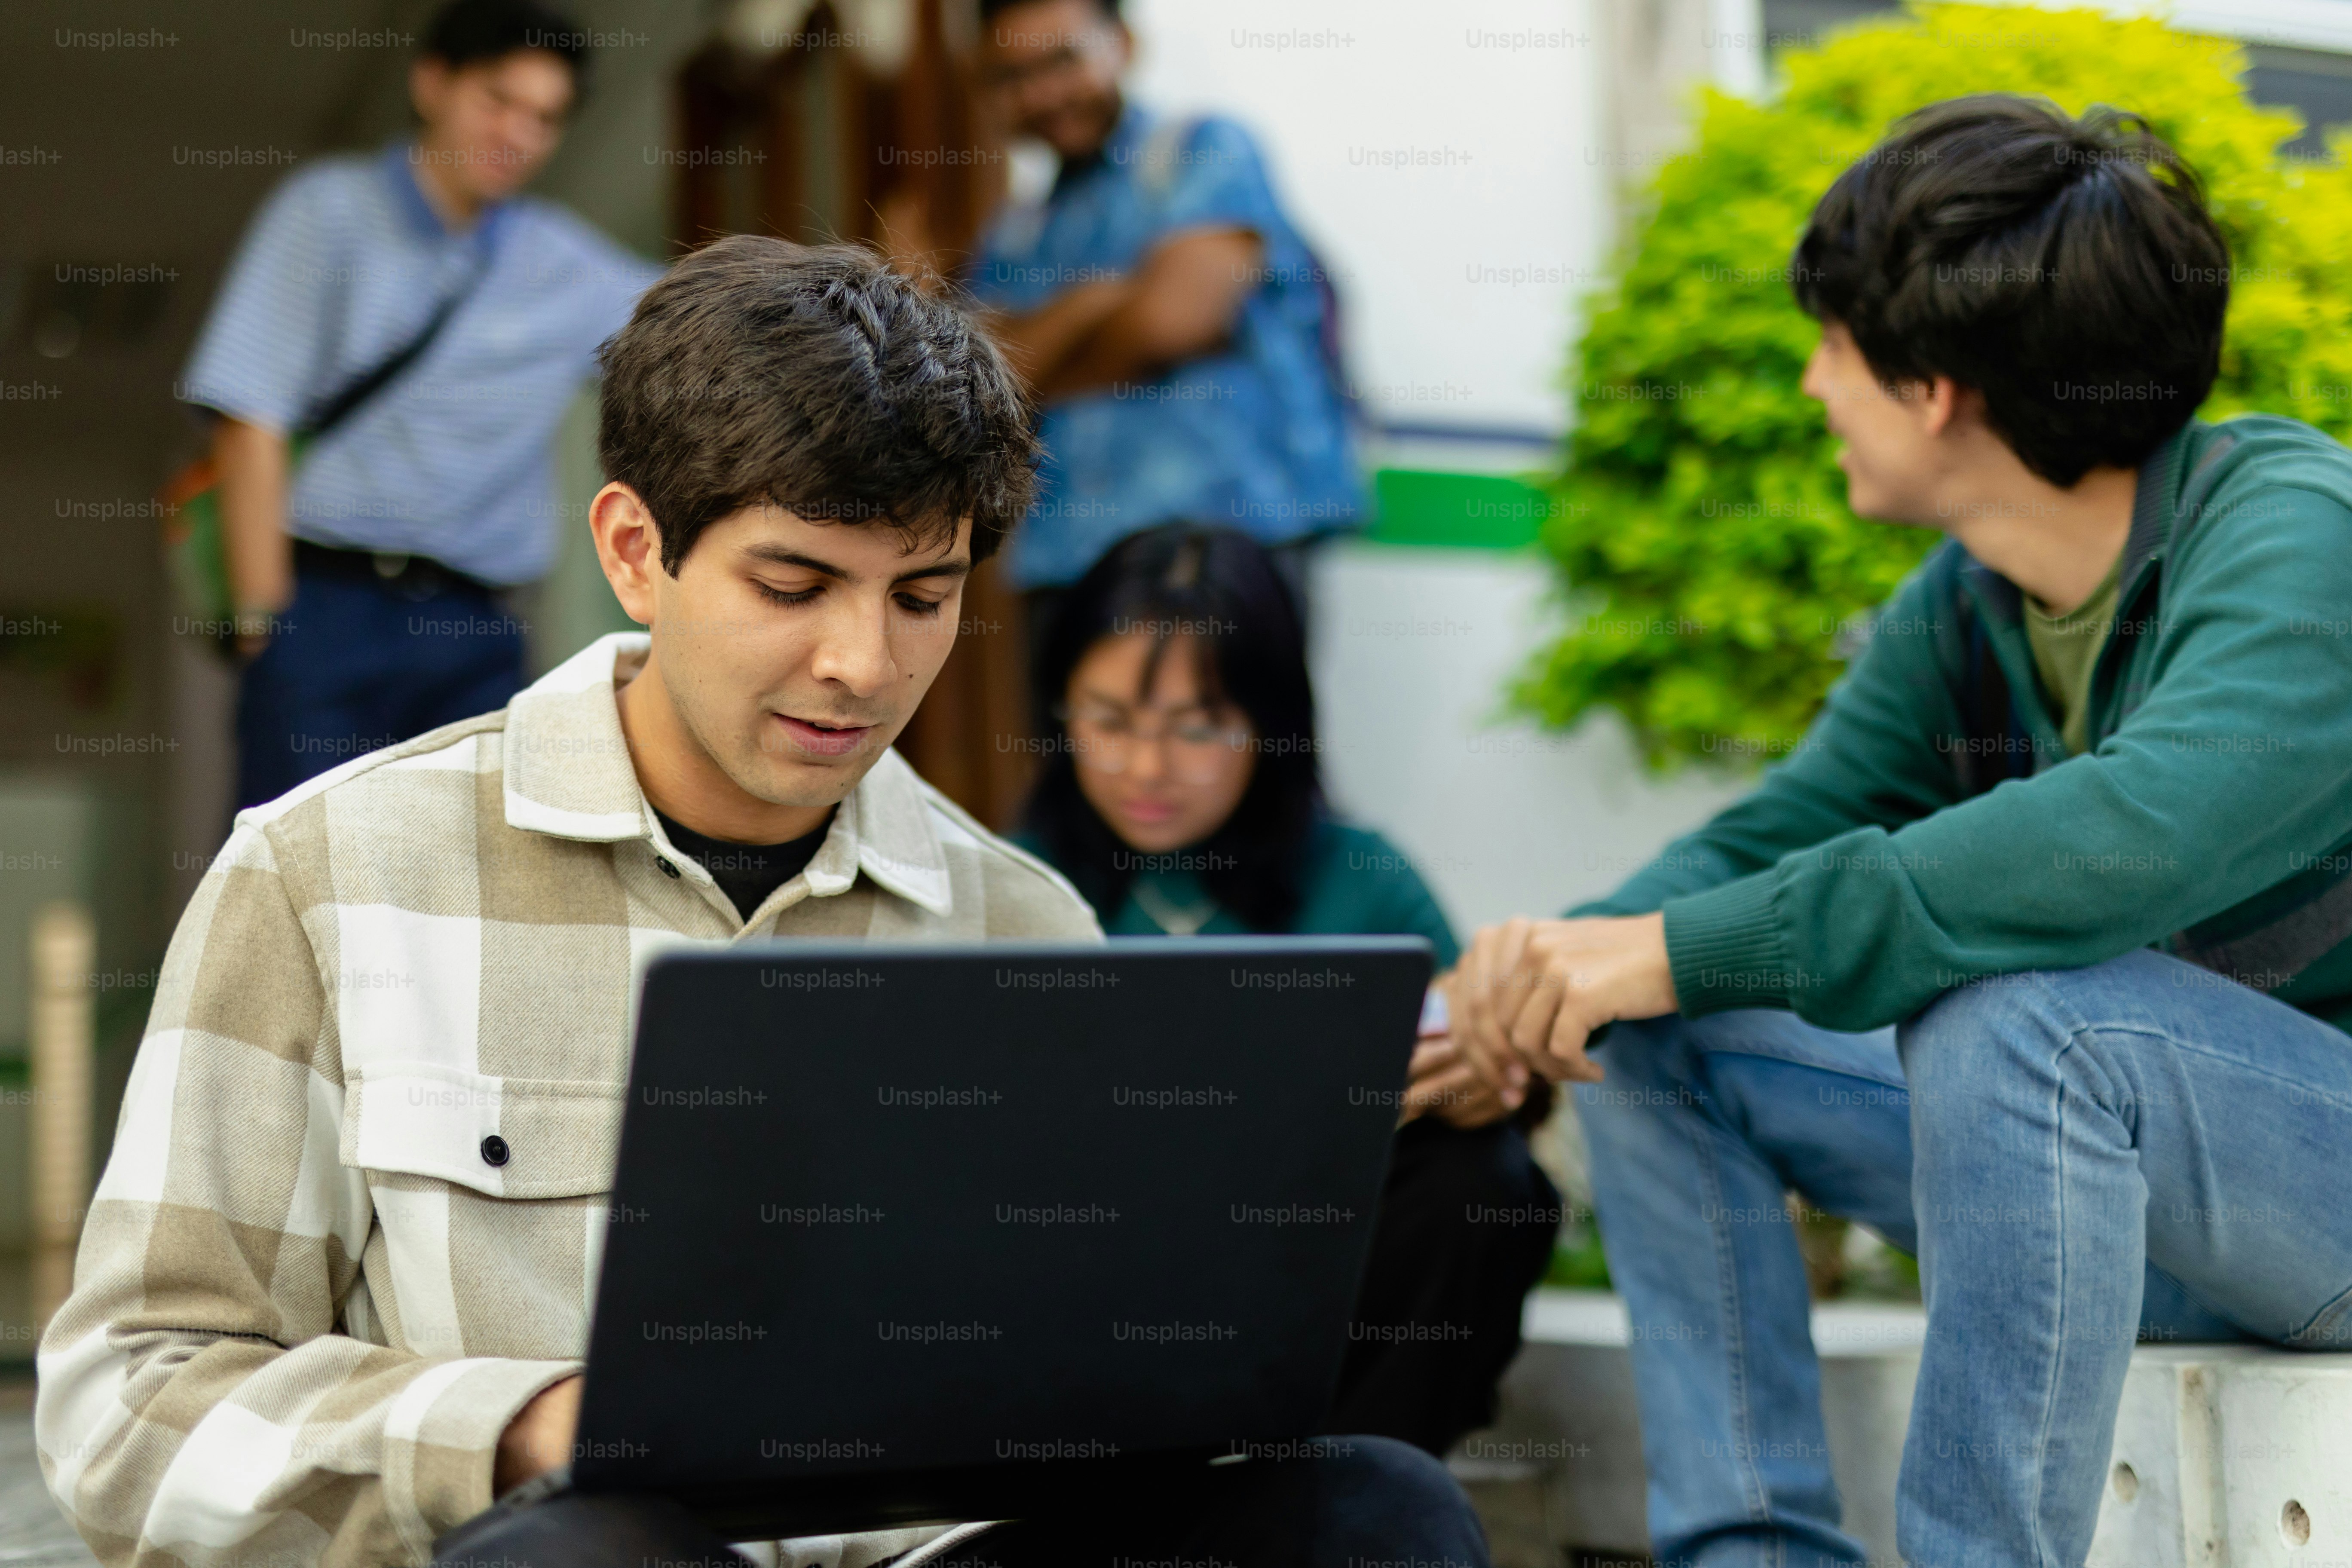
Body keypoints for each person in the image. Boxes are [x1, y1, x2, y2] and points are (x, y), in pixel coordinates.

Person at [42, 239, 1488, 1568]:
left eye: (922, 596)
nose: (862, 661)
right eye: (794, 582)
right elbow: (127, 1406)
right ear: (633, 552)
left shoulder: (1024, 924)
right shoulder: (328, 873)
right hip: (558, 1551)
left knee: (1374, 1507)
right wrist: (532, 1423)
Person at [1446, 96, 2352, 1568]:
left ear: (1933, 387)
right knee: (1661, 1027)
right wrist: (1543, 971)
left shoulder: (2296, 531)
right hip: (2152, 1203)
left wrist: (1668, 946)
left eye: (1832, 348)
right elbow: (1782, 828)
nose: (1811, 386)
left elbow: (2131, 834)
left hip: (2321, 1186)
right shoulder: (1973, 596)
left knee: (2025, 1015)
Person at [1017, 523, 1561, 1456]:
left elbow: (1506, 1076)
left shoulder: (1360, 879)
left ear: (1272, 724)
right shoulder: (1012, 883)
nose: (1147, 770)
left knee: (1484, 1186)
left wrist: (1489, 1080)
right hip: (1092, 1286)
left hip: (1304, 1287)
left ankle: (1358, 1499)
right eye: (1107, 722)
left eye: (1197, 729)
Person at [178, 0, 661, 809]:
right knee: (299, 879)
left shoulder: (561, 262)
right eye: (498, 101)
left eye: (545, 118)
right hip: (324, 611)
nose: (519, 134)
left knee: (470, 892)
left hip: (479, 630)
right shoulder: (327, 212)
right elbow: (249, 415)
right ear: (432, 82)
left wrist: (879, 281)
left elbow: (710, 324)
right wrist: (266, 629)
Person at [962, 0, 1363, 616]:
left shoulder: (1202, 149)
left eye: (1062, 60)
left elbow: (1174, 321)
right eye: (1012, 77)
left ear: (1122, 43)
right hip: (1066, 567)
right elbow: (984, 386)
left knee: (1228, 715)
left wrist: (1039, 359)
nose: (1042, 93)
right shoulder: (1016, 231)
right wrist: (1087, 305)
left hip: (1223, 545)